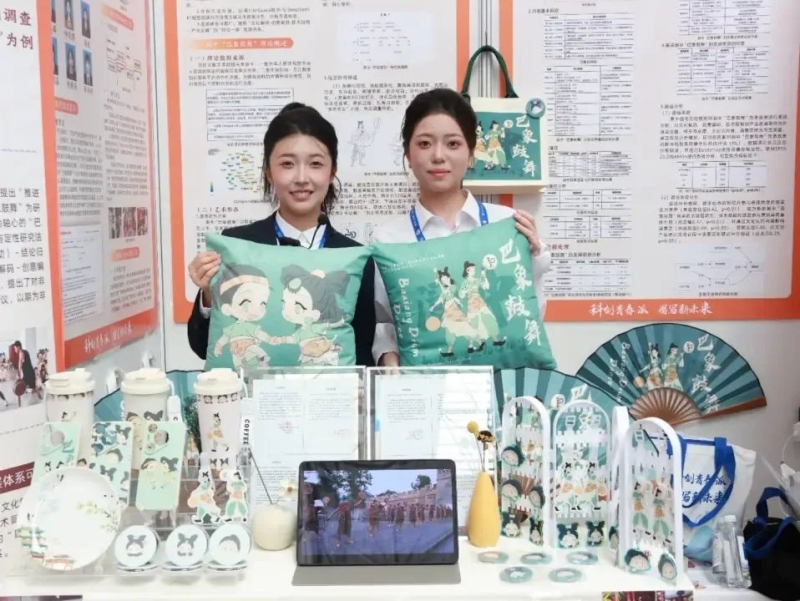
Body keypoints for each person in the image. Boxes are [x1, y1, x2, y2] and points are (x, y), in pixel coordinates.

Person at [370, 87, 551, 366]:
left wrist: (535, 258)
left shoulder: (507, 224)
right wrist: (387, 357)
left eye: (453, 144)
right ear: (407, 154)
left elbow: (531, 315)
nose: (438, 156)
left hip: (500, 380)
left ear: (471, 154)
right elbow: (385, 322)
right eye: (424, 144)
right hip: (426, 386)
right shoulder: (388, 238)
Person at [187, 102, 376, 367]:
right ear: (268, 171)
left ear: (332, 172)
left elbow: (362, 349)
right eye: (287, 164)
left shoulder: (354, 256)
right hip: (251, 391)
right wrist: (208, 292)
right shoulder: (237, 245)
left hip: (326, 392)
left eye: (315, 164)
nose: (301, 177)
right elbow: (203, 348)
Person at [13, 341, 41, 407]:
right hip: (30, 373)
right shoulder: (25, 351)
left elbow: (20, 363)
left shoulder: (21, 353)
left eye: (15, 348)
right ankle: (39, 397)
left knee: (19, 387)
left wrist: (18, 374)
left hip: (28, 374)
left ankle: (19, 405)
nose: (14, 350)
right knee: (32, 387)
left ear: (18, 347)